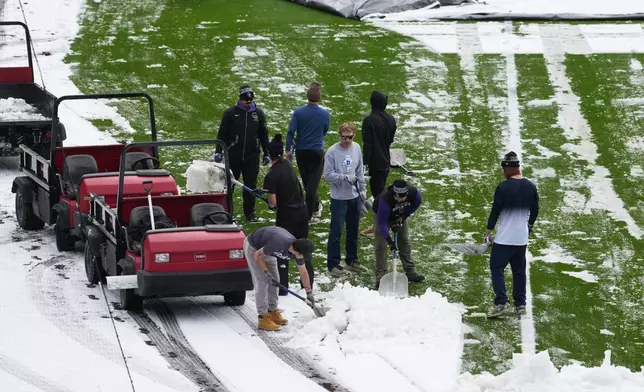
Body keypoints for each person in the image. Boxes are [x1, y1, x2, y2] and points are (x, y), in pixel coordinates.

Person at [484, 151, 539, 317]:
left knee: (496, 267)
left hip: (505, 238)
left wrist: (488, 230)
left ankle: (502, 302)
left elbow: (495, 210)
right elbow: (535, 210)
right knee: (519, 271)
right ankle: (520, 304)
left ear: (508, 168)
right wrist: (528, 226)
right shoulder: (530, 186)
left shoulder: (503, 187)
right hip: (521, 239)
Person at [262, 133, 314, 295]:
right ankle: (308, 284)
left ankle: (282, 287)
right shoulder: (288, 165)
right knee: (302, 249)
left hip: (287, 217)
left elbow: (273, 203)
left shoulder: (271, 175)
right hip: (302, 212)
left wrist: (268, 202)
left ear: (269, 155)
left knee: (283, 249)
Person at [214, 84, 270, 222]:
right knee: (230, 185)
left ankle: (250, 214)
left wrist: (266, 153)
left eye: (250, 100)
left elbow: (264, 135)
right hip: (233, 155)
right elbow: (222, 133)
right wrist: (219, 151)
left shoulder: (259, 114)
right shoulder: (230, 113)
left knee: (250, 186)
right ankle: (227, 213)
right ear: (240, 99)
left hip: (252, 157)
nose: (248, 102)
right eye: (246, 100)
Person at [243, 226, 315, 331]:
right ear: (295, 249)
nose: (301, 257)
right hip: (254, 248)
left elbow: (303, 271)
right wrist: (266, 272)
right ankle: (263, 318)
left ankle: (272, 311)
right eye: (301, 255)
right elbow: (258, 255)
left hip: (268, 249)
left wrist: (309, 292)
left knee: (275, 280)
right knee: (262, 282)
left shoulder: (297, 251)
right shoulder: (279, 243)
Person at [323, 122, 367, 277]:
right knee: (336, 231)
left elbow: (359, 170)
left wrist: (362, 190)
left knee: (353, 230)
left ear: (354, 135)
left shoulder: (356, 148)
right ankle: (333, 264)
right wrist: (344, 178)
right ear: (339, 135)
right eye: (344, 137)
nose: (347, 140)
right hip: (339, 198)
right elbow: (327, 175)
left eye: (350, 137)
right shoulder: (332, 152)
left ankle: (351, 260)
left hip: (354, 197)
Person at [285, 82, 331, 221]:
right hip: (316, 152)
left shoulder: (298, 112)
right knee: (312, 184)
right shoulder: (325, 114)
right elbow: (325, 130)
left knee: (307, 183)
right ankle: (311, 212)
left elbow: (291, 131)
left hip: (301, 152)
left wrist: (288, 149)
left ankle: (312, 209)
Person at [373, 179, 425, 288]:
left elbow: (417, 203)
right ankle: (381, 275)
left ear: (406, 194)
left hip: (401, 214)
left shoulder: (413, 193)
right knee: (381, 245)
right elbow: (382, 224)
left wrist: (404, 217)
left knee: (404, 240)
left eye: (402, 198)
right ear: (394, 194)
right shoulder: (385, 200)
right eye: (397, 197)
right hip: (383, 217)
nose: (399, 199)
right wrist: (390, 242)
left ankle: (410, 271)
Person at [361, 91, 397, 237]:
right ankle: (378, 225)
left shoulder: (369, 120)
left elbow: (368, 145)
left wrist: (365, 164)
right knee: (379, 194)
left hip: (375, 163)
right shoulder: (391, 119)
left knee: (379, 196)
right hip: (385, 160)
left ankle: (382, 226)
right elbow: (390, 140)